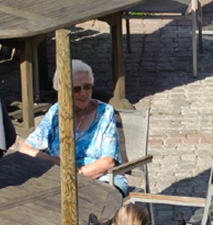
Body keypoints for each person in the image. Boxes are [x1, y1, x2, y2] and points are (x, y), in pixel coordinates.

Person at [10, 59, 127, 192]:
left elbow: (108, 161)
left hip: (101, 179)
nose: (83, 93)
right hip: (59, 181)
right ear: (62, 91)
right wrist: (55, 161)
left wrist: (75, 176)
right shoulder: (56, 112)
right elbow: (25, 149)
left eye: (87, 87)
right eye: (76, 89)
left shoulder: (105, 112)